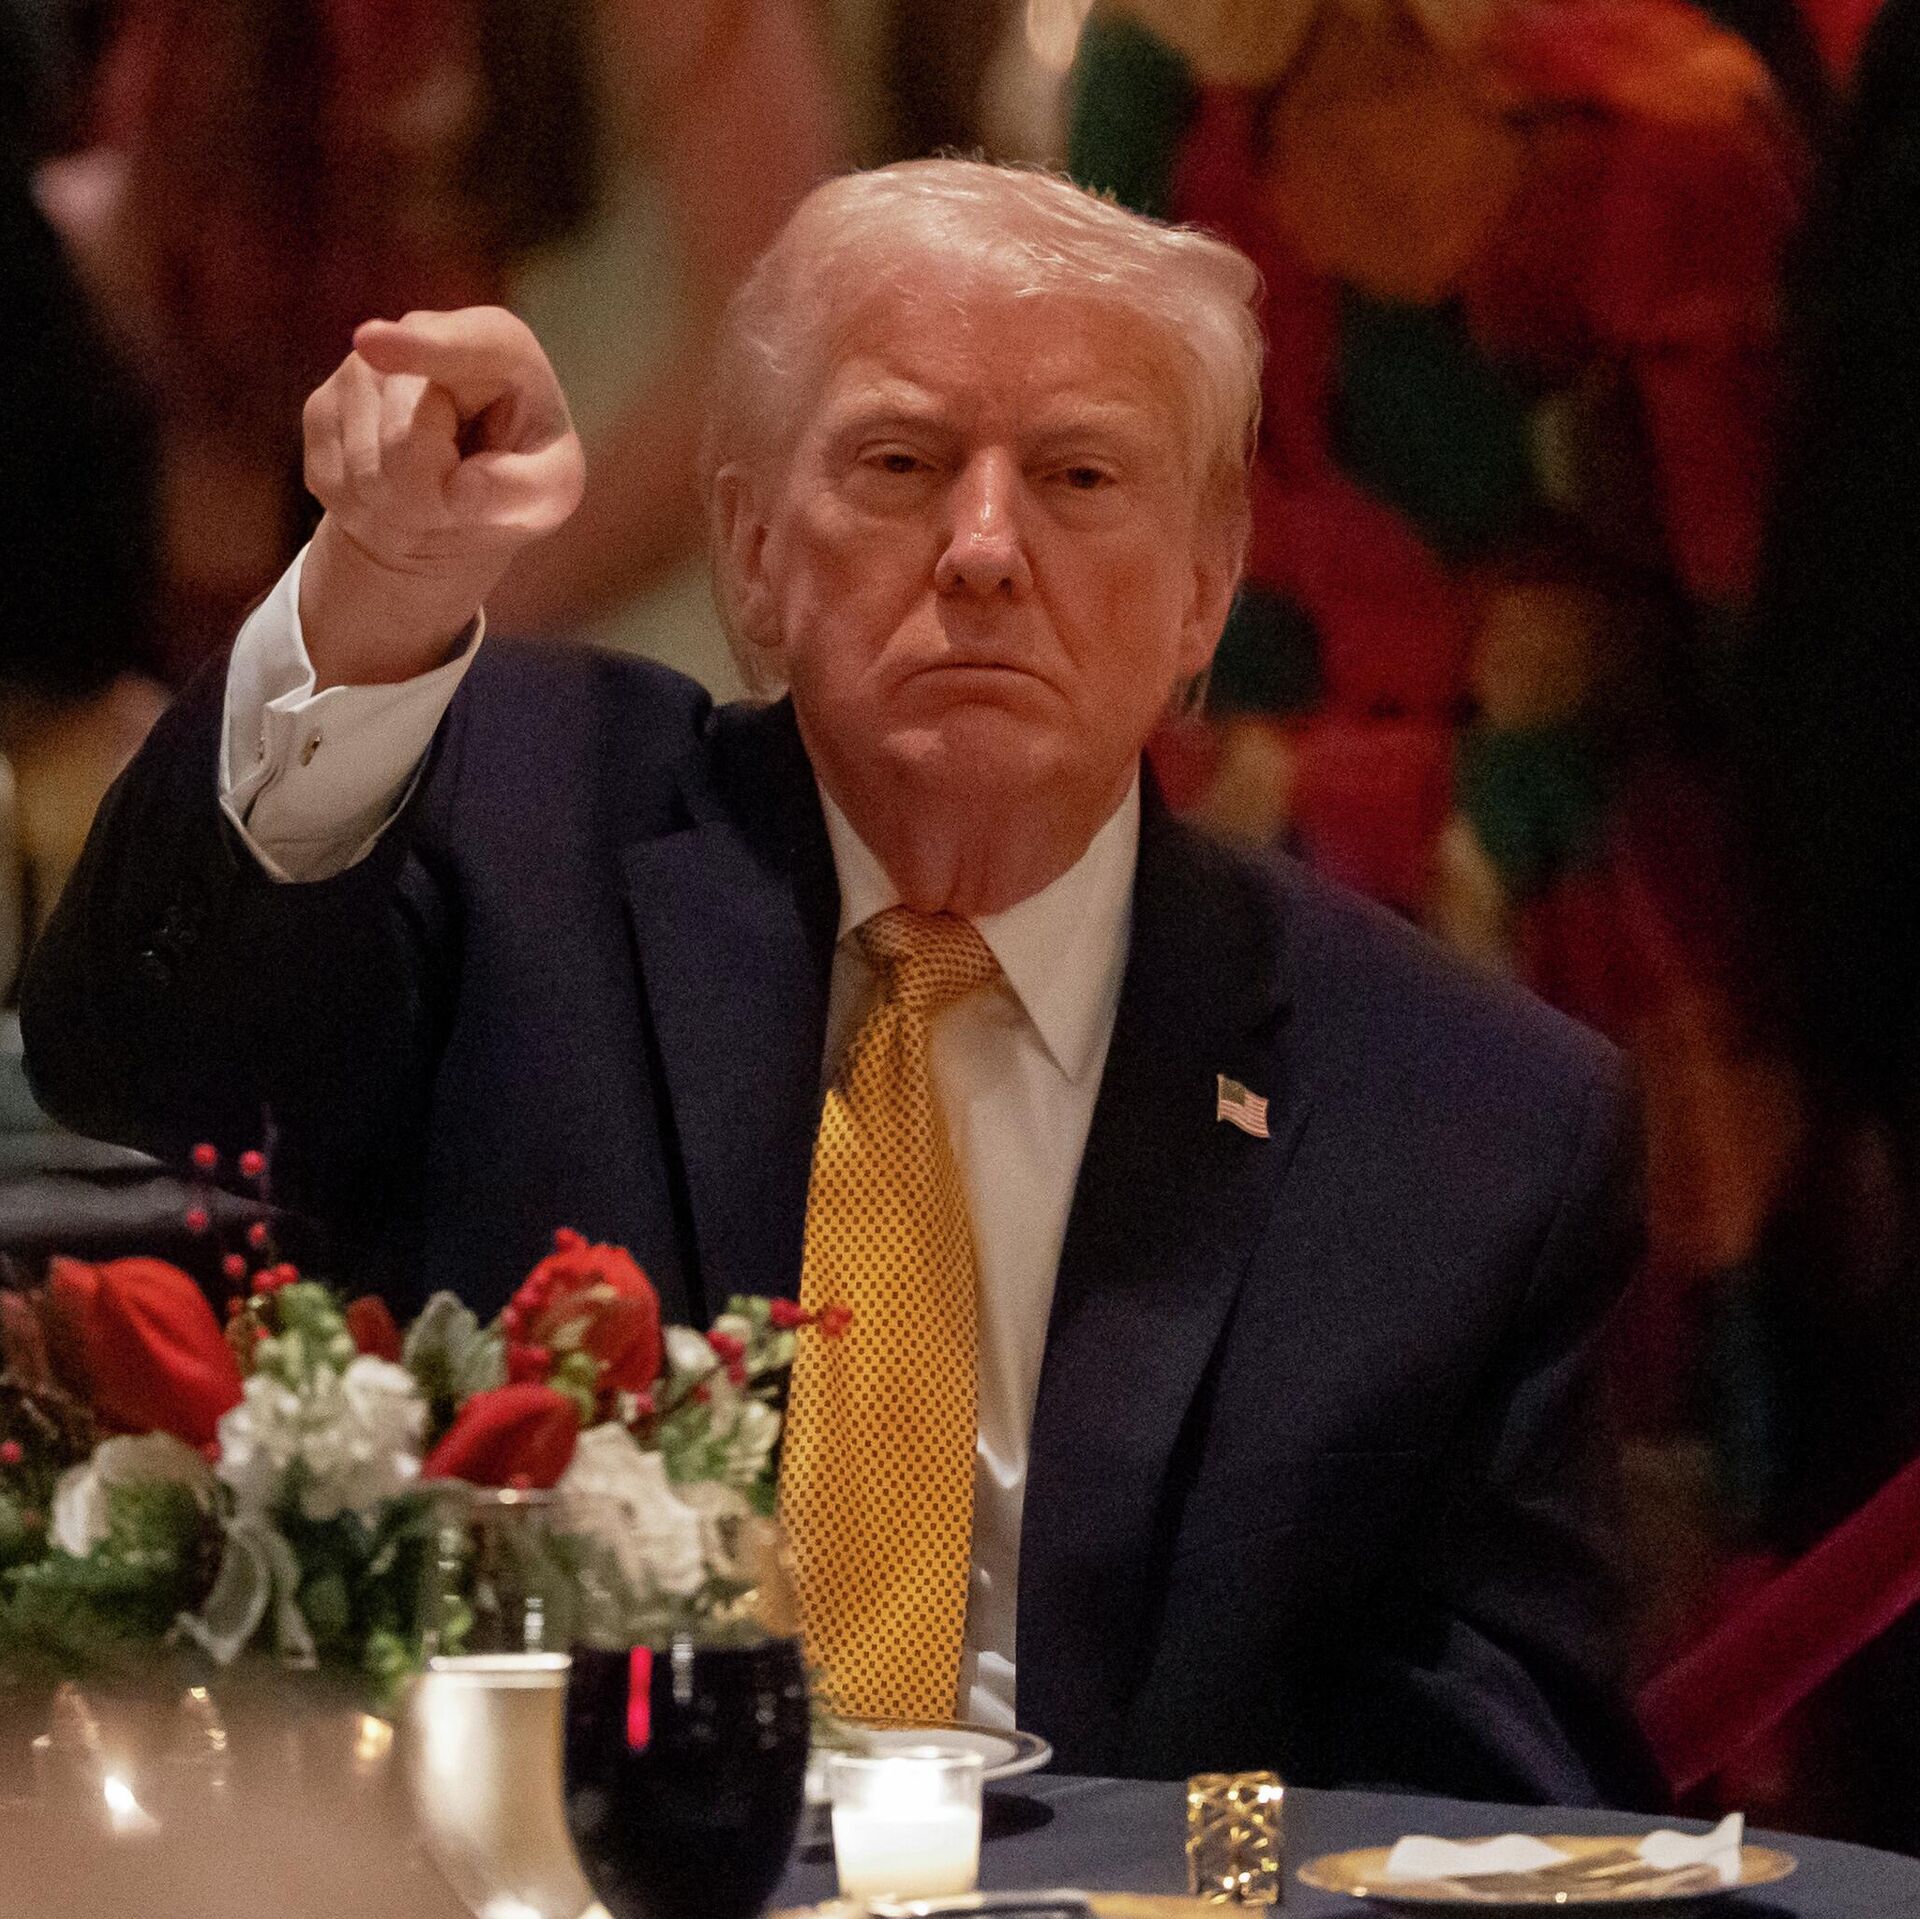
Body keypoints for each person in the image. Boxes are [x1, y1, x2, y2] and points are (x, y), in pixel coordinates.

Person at [22, 160, 1657, 1805]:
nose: (986, 550)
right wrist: (375, 591)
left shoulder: (1461, 1128)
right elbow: (140, 1056)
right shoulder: (516, 830)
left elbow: (1503, 1802)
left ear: (1204, 592)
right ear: (749, 550)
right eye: (900, 464)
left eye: (1081, 476)